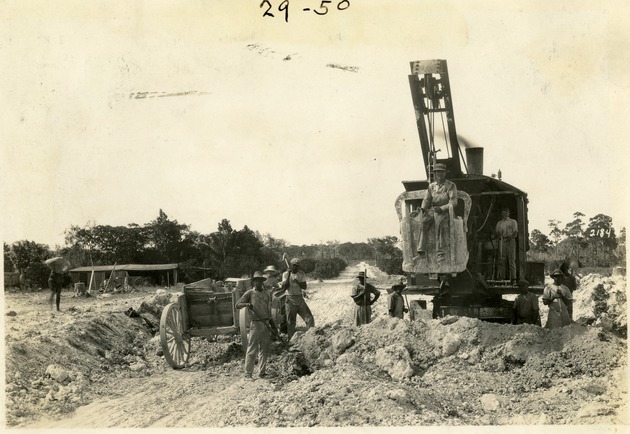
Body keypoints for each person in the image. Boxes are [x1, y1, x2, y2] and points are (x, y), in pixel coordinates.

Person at [235, 271, 274, 379]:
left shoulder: (267, 294)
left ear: (262, 282)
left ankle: (262, 372)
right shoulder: (249, 293)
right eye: (256, 281)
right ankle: (248, 373)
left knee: (264, 350)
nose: (258, 283)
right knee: (252, 349)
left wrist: (273, 328)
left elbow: (269, 313)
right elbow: (237, 305)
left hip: (266, 324)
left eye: (260, 281)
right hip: (255, 324)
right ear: (253, 282)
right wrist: (247, 304)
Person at [415, 163, 458, 257]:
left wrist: (442, 208)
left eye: (441, 172)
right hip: (433, 209)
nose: (439, 174)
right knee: (423, 221)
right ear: (434, 174)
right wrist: (423, 208)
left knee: (440, 223)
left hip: (446, 210)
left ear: (445, 173)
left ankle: (440, 252)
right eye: (437, 172)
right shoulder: (431, 186)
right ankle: (421, 250)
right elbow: (427, 199)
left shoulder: (451, 185)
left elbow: (453, 202)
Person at [279, 258, 314, 340]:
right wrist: (288, 275)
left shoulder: (301, 274)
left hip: (299, 298)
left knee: (309, 319)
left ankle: (311, 337)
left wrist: (298, 282)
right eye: (294, 266)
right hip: (290, 299)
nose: (295, 268)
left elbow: (304, 287)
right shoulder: (285, 274)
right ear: (290, 265)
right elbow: (285, 287)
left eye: (297, 266)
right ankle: (291, 340)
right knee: (291, 322)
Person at [495, 207, 518, 283]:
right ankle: (502, 279)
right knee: (502, 260)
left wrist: (510, 238)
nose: (504, 214)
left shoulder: (513, 222)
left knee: (511, 260)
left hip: (510, 241)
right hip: (502, 241)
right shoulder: (499, 223)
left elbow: (515, 233)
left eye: (506, 213)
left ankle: (513, 280)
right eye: (503, 213)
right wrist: (498, 236)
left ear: (508, 213)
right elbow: (497, 233)